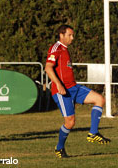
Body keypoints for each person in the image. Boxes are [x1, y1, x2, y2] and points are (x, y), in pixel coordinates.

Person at [45, 25, 110, 158]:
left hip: (73, 87)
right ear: (61, 35)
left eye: (73, 35)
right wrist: (58, 85)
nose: (72, 38)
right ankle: (59, 148)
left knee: (100, 99)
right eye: (70, 35)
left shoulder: (65, 49)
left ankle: (93, 133)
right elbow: (48, 68)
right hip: (62, 91)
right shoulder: (56, 48)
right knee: (70, 122)